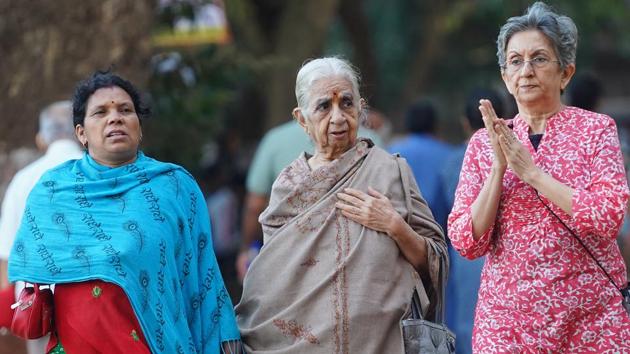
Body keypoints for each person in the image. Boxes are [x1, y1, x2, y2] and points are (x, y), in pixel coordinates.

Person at [7, 71, 242, 354]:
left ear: (139, 127)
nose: (115, 117)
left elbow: (203, 270)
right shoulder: (54, 189)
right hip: (76, 343)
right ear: (81, 133)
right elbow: (27, 266)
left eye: (125, 110)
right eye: (100, 112)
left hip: (156, 342)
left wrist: (223, 334)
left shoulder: (174, 186)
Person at [448, 2, 630, 352]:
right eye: (515, 61)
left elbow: (608, 216)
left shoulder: (596, 130)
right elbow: (466, 241)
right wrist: (499, 169)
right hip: (507, 327)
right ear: (505, 77)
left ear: (566, 73)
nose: (526, 70)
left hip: (590, 326)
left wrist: (532, 174)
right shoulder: (484, 144)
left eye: (539, 59)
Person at [235, 57, 448, 353]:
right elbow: (274, 286)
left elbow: (434, 262)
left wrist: (394, 226)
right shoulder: (289, 186)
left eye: (346, 104)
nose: (338, 117)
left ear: (360, 108)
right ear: (301, 118)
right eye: (324, 106)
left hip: (383, 344)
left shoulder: (390, 171)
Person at [235, 116, 383, 282]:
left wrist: (246, 249)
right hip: (354, 258)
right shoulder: (370, 140)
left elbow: (255, 205)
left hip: (289, 257)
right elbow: (382, 198)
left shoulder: (275, 139)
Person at [0, 100, 82, 354]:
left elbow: (5, 255)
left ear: (40, 140)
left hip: (36, 308)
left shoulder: (23, 180)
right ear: (82, 132)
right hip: (92, 305)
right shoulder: (100, 174)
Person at [441, 88, 505, 354]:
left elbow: (446, 210)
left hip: (466, 252)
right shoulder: (518, 153)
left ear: (464, 122)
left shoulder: (452, 161)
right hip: (504, 248)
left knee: (468, 318)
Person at [388, 99, 454, 230]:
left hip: (400, 228)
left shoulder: (392, 151)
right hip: (438, 230)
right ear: (434, 124)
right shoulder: (449, 154)